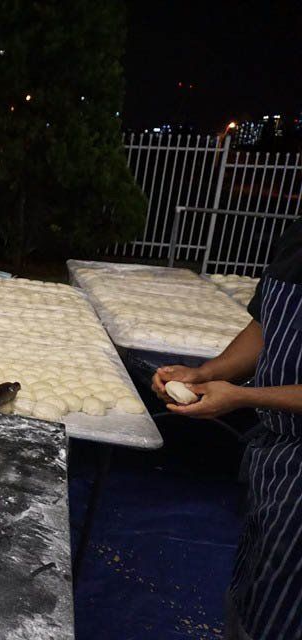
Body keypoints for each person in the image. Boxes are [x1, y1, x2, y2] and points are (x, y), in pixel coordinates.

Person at [152, 220, 302, 639]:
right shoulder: (296, 237)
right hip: (277, 463)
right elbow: (265, 329)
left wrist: (243, 397)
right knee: (254, 591)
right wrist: (204, 373)